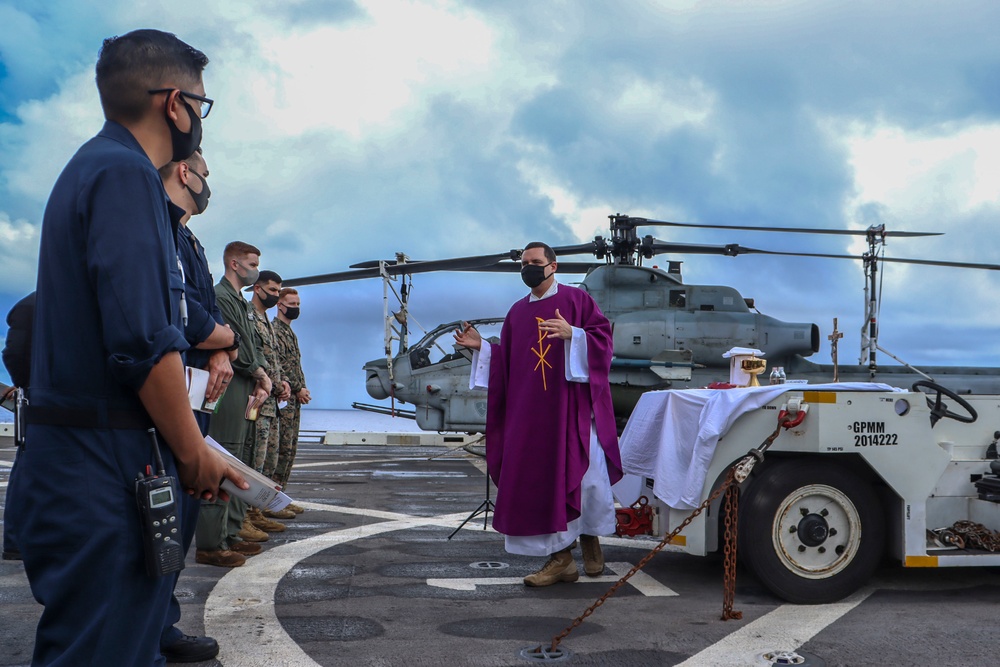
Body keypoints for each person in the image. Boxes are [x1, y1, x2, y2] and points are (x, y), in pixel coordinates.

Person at [6, 29, 247, 666]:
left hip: (87, 454)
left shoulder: (96, 166)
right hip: (102, 461)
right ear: (175, 104)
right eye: (201, 102)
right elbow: (144, 340)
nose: (200, 116)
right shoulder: (124, 175)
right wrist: (194, 454)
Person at [454, 241, 623, 586]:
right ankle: (561, 559)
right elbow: (508, 363)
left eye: (535, 262)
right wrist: (482, 348)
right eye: (524, 263)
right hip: (533, 416)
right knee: (541, 483)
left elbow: (604, 344)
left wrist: (573, 334)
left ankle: (590, 539)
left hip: (572, 410)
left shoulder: (577, 302)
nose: (528, 268)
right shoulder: (517, 313)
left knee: (587, 479)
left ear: (553, 266)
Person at [159, 150, 262, 658]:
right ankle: (147, 628)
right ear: (185, 173)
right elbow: (184, 315)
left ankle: (161, 622)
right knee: (161, 512)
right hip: (173, 385)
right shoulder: (157, 228)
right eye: (205, 174)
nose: (208, 185)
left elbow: (198, 309)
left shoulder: (187, 237)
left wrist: (222, 344)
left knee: (175, 514)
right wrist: (222, 340)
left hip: (200, 384)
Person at [196, 241, 272, 566]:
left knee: (239, 463)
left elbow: (248, 345)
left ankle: (228, 535)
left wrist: (260, 376)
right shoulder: (222, 297)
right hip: (228, 390)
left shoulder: (237, 300)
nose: (256, 269)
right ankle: (211, 545)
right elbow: (238, 347)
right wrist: (260, 373)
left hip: (244, 388)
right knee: (222, 460)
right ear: (234, 263)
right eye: (252, 263)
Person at [246, 270, 294, 525]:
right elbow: (253, 355)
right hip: (258, 400)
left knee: (269, 459)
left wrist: (284, 383)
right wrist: (270, 382)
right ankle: (248, 514)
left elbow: (277, 360)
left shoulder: (266, 321)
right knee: (254, 459)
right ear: (257, 288)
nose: (276, 295)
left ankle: (260, 509)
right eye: (273, 290)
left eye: (278, 291)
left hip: (273, 401)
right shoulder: (249, 316)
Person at [272, 287, 311, 511]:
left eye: (297, 305)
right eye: (291, 304)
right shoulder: (276, 330)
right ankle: (271, 501)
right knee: (279, 451)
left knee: (289, 450)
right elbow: (282, 365)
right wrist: (298, 388)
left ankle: (280, 498)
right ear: (280, 305)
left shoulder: (289, 332)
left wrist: (302, 387)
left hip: (293, 399)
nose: (295, 308)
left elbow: (296, 365)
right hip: (283, 398)